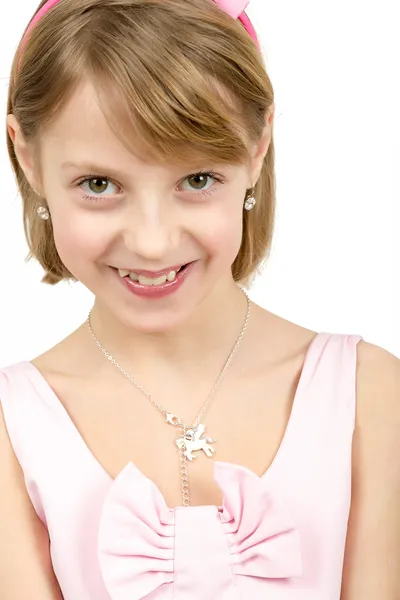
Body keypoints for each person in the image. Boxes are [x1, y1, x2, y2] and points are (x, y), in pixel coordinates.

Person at [1, 0, 399, 598]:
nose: (153, 241)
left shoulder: (370, 394)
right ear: (28, 157)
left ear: (257, 147)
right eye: (100, 185)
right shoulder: (12, 427)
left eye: (196, 179)